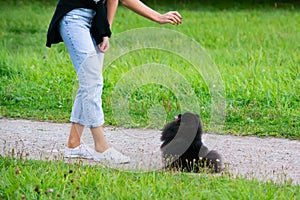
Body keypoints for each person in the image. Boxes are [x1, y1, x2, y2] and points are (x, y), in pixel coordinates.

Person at [46, 0, 182, 164]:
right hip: (74, 18)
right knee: (92, 82)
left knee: (90, 83)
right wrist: (158, 17)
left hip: (95, 18)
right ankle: (101, 147)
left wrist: (105, 30)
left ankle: (73, 145)